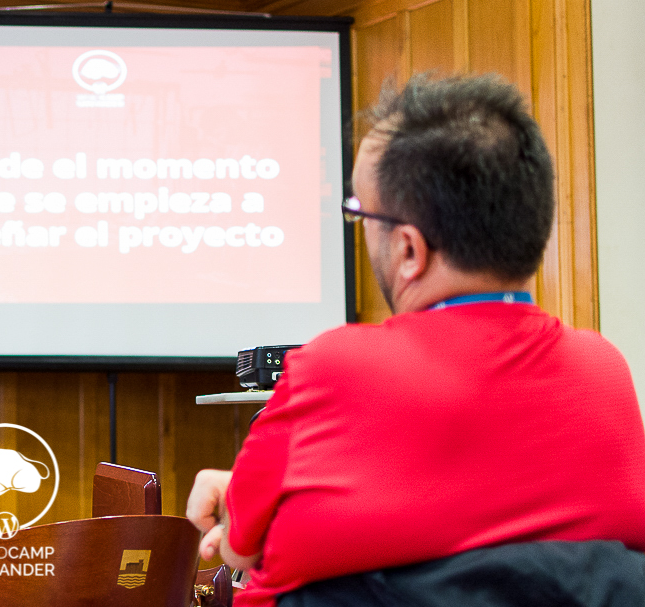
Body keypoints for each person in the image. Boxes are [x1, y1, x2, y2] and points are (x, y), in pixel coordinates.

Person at [187, 74, 645, 606]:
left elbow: (239, 546)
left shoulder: (332, 368)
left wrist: (238, 502)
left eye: (359, 213)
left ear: (409, 250)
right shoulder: (603, 370)